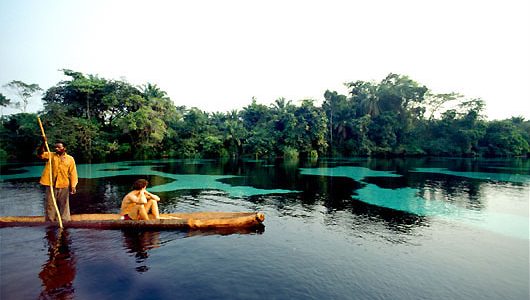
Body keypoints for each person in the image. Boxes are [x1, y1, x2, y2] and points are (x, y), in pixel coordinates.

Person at [37, 138, 78, 222]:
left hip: (64, 185)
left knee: (64, 205)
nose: (56, 149)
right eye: (55, 147)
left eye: (59, 147)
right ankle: (50, 221)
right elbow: (40, 154)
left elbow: (73, 173)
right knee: (50, 204)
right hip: (51, 185)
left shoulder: (70, 159)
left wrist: (73, 186)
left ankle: (65, 221)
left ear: (64, 148)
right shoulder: (51, 155)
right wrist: (43, 143)